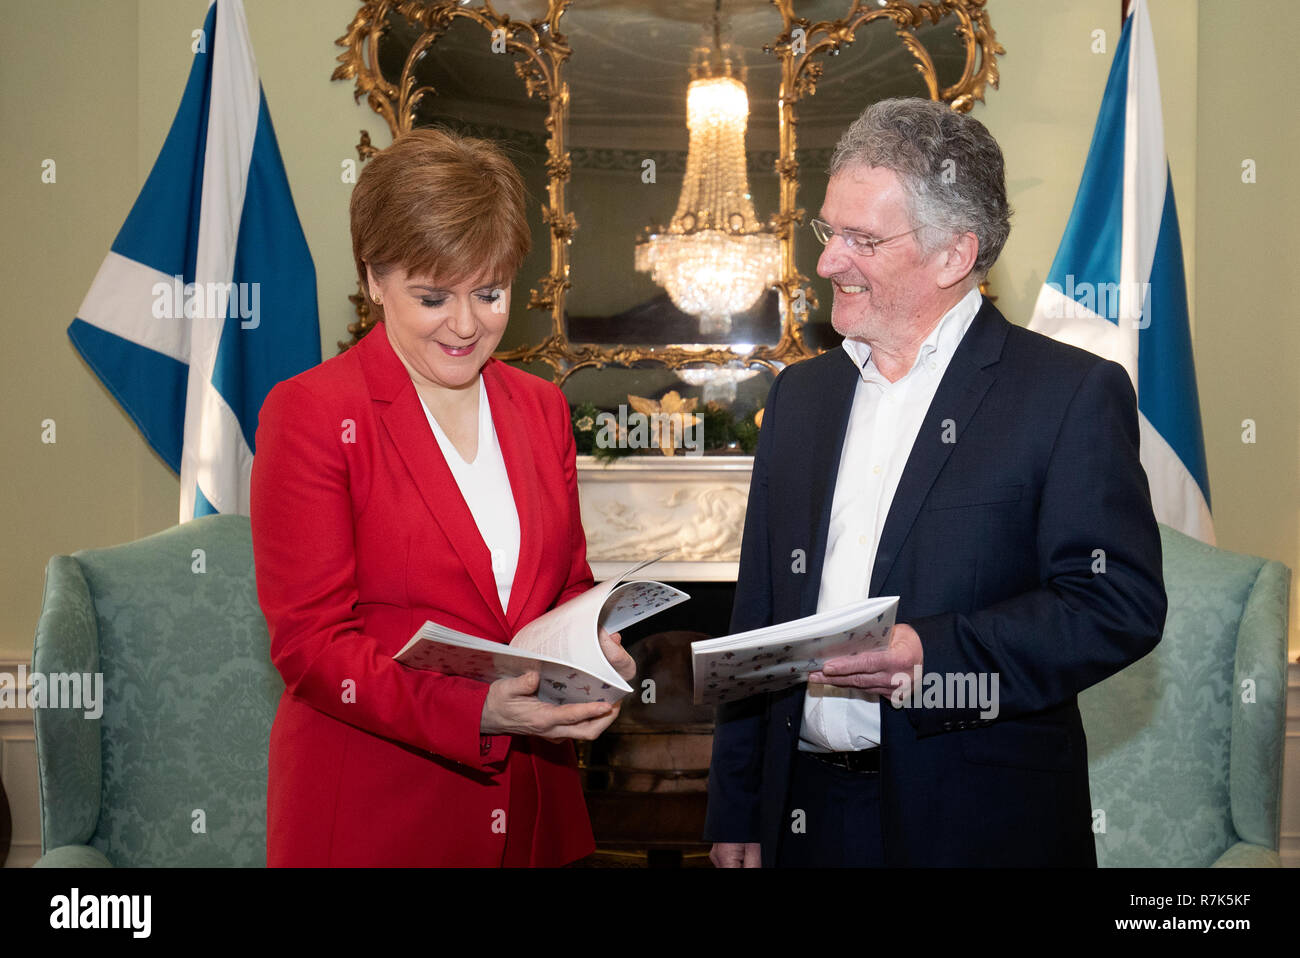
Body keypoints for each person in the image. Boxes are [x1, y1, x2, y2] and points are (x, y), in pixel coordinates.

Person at [704, 98, 1167, 867]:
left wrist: (933, 654)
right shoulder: (800, 396)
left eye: (862, 240)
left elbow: (1115, 603)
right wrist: (739, 806)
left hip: (977, 826)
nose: (826, 263)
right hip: (804, 819)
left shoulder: (1068, 395)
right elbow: (760, 609)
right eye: (828, 231)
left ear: (955, 255)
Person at [250, 127, 634, 867]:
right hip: (375, 816)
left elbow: (566, 587)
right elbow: (311, 647)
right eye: (432, 297)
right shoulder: (312, 413)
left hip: (530, 815)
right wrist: (477, 711)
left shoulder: (541, 408)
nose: (466, 325)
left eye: (490, 294)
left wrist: (593, 651)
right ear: (372, 279)